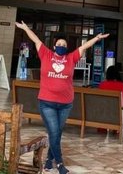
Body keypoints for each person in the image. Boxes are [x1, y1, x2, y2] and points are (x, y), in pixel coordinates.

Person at [15, 21, 109, 174]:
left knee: (56, 133)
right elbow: (36, 40)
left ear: (67, 47)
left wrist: (97, 38)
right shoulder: (46, 54)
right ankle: (59, 164)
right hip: (47, 103)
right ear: (54, 46)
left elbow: (85, 46)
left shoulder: (71, 58)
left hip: (65, 104)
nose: (61, 45)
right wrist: (25, 28)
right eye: (59, 43)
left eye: (64, 44)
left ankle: (47, 162)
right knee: (54, 132)